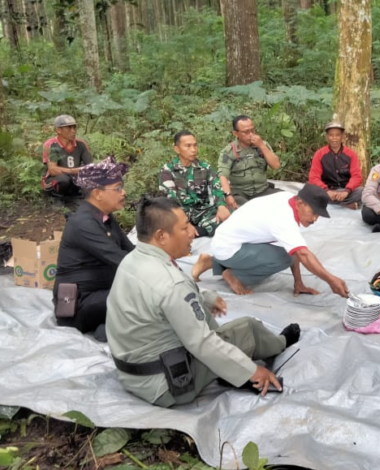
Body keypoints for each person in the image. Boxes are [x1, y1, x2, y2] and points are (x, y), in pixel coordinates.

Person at [106, 197, 301, 407]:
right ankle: (279, 344)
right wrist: (253, 371)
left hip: (133, 375)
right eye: (184, 228)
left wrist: (205, 298)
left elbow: (162, 299)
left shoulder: (131, 260)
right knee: (248, 328)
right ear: (161, 236)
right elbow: (202, 343)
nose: (193, 233)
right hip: (169, 385)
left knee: (212, 324)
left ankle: (232, 367)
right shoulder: (172, 284)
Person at [192, 184, 350, 298]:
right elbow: (302, 254)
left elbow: (294, 248)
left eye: (318, 215)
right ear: (301, 203)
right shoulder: (283, 219)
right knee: (284, 258)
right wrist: (331, 280)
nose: (315, 219)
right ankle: (233, 275)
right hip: (228, 248)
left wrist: (299, 283)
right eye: (313, 213)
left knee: (289, 253)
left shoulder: (289, 199)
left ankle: (212, 262)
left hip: (228, 240)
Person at [53, 157, 133, 340]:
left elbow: (131, 251)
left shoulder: (104, 218)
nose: (123, 192)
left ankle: (110, 326)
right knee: (141, 295)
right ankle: (109, 329)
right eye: (118, 188)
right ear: (98, 193)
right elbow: (123, 261)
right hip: (78, 306)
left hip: (100, 295)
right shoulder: (83, 223)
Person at [160, 130, 230, 237]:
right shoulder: (168, 171)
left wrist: (221, 206)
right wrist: (185, 223)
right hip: (181, 214)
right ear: (177, 149)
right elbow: (171, 201)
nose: (193, 150)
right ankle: (195, 231)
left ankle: (198, 231)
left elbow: (217, 187)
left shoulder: (204, 167)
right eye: (188, 146)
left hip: (204, 212)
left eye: (195, 145)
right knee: (167, 224)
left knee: (233, 216)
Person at [218, 115, 281, 209]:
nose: (251, 134)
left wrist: (262, 146)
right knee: (249, 209)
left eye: (253, 130)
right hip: (241, 193)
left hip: (262, 190)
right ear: (236, 133)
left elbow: (276, 165)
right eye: (246, 132)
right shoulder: (229, 151)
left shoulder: (263, 145)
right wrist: (228, 195)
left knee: (287, 199)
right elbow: (223, 176)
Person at [307, 117, 363, 210]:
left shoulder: (351, 154)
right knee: (309, 190)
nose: (334, 138)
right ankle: (345, 205)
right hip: (327, 191)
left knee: (362, 191)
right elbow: (313, 177)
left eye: (337, 135)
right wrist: (327, 190)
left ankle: (336, 204)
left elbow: (357, 176)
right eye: (331, 135)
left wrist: (346, 191)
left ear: (343, 136)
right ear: (327, 137)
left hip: (346, 191)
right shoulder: (320, 154)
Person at [41, 114, 94, 199]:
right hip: (55, 180)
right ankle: (57, 198)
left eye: (74, 127)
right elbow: (53, 170)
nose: (73, 131)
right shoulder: (52, 145)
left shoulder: (81, 144)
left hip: (74, 177)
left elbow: (90, 166)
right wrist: (73, 170)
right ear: (59, 130)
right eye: (69, 128)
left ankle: (75, 197)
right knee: (64, 179)